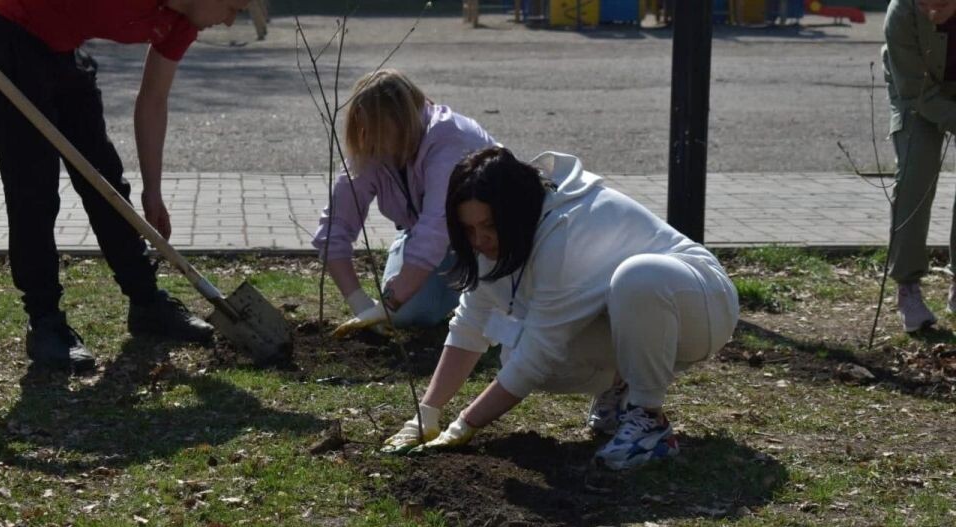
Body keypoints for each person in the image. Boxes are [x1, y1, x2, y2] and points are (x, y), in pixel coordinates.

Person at [381, 147, 739, 471]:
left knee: (637, 278)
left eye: (489, 226)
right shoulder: (498, 244)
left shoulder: (565, 229)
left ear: (514, 213)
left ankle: (648, 419)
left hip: (702, 307)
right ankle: (624, 387)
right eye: (469, 229)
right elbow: (470, 326)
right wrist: (426, 414)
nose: (479, 240)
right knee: (515, 350)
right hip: (637, 318)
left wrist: (465, 424)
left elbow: (539, 352)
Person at [0, 0, 250, 372]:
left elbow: (153, 100)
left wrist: (154, 190)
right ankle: (45, 321)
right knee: (34, 191)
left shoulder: (182, 22)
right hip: (10, 37)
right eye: (233, 8)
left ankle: (146, 303)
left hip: (62, 51)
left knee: (105, 182)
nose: (230, 21)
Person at [313, 69, 496, 336]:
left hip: (490, 238)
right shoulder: (373, 148)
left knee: (409, 307)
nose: (370, 140)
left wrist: (390, 303)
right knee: (409, 315)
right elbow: (334, 229)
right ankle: (467, 293)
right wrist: (360, 304)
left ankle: (485, 293)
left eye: (380, 130)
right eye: (365, 129)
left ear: (403, 120)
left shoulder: (450, 141)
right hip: (434, 239)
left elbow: (436, 229)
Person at [883, 0, 956, 332]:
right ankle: (908, 287)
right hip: (914, 91)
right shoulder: (900, 14)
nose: (932, 9)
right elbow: (915, 92)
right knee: (915, 176)